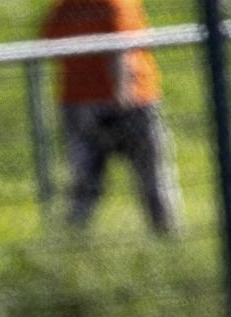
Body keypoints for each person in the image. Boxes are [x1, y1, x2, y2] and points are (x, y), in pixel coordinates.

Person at [39, 0, 181, 236]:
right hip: (109, 102)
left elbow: (120, 48)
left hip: (113, 102)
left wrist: (122, 96)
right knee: (87, 181)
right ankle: (74, 239)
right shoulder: (71, 5)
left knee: (144, 180)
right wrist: (122, 97)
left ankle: (165, 234)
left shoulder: (86, 5)